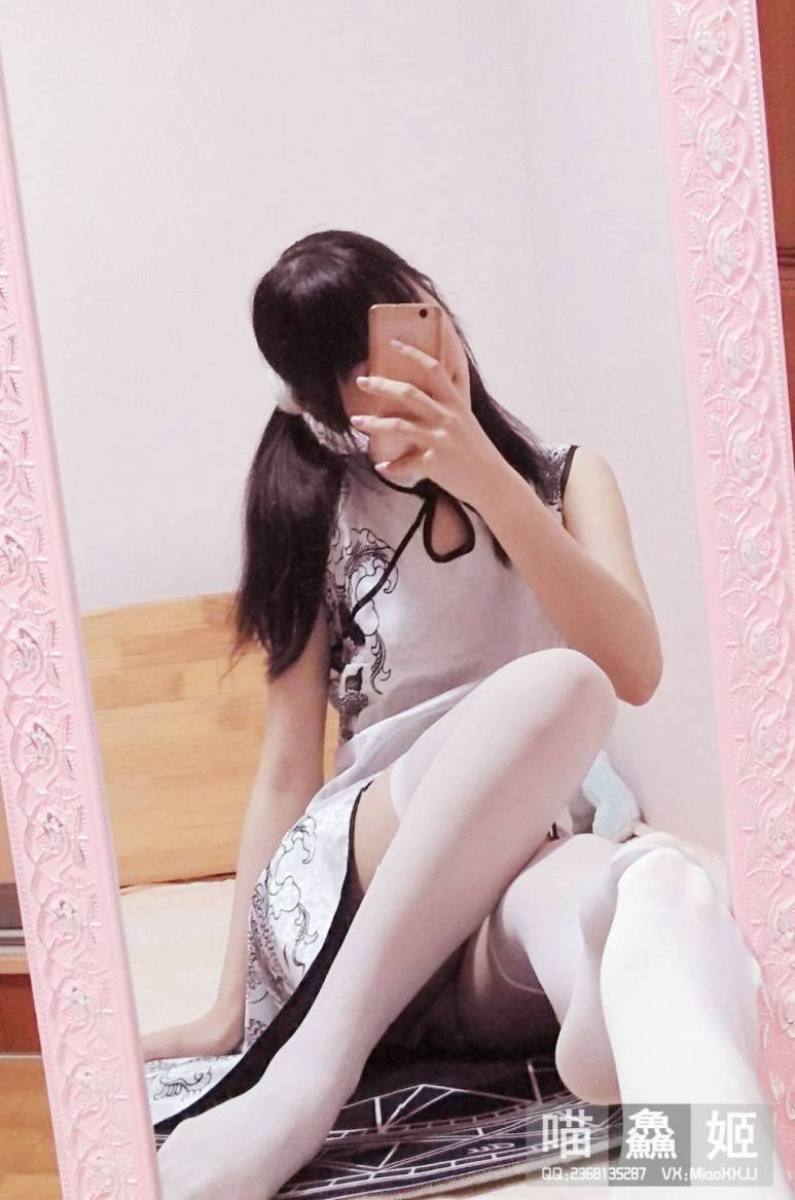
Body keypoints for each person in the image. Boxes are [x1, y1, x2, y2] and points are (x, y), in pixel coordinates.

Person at [147, 230, 783, 1200]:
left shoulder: (567, 479)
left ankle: (645, 1080)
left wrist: (485, 473)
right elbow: (286, 763)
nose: (393, 370)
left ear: (432, 307)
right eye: (351, 369)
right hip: (363, 864)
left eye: (402, 323)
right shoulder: (310, 499)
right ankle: (310, 1076)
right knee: (560, 689)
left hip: (501, 893)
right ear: (321, 403)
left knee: (634, 895)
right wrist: (231, 1003)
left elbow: (635, 668)